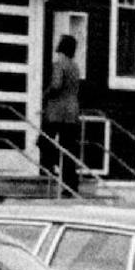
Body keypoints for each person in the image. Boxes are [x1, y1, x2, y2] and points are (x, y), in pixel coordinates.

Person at [41, 34, 82, 192]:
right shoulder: (75, 66)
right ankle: (71, 184)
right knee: (69, 148)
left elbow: (56, 85)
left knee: (44, 140)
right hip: (72, 110)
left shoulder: (59, 64)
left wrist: (46, 94)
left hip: (57, 110)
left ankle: (48, 166)